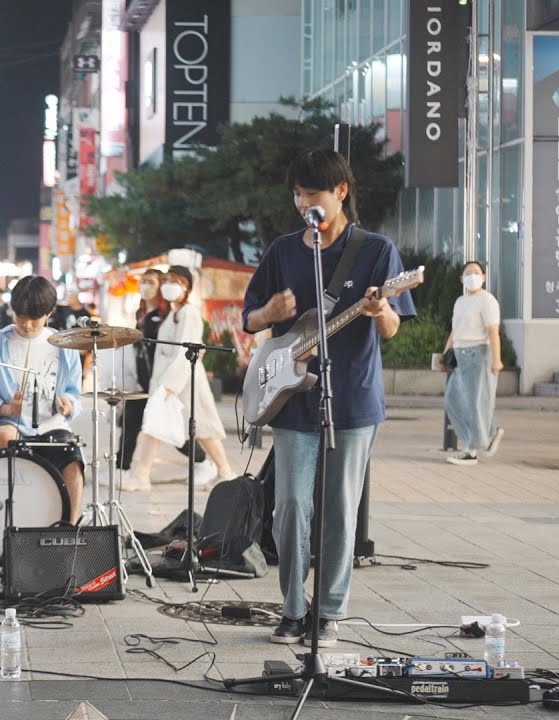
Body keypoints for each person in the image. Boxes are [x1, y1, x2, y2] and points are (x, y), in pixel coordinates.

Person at [242, 149, 415, 648]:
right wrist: (269, 313)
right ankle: (293, 608)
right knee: (290, 506)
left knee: (340, 509)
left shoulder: (376, 250)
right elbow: (250, 317)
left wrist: (379, 310)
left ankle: (330, 611)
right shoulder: (282, 251)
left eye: (311, 193)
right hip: (291, 398)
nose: (303, 203)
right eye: (297, 194)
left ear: (340, 191)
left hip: (352, 398)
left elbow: (393, 326)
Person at [0, 276, 85, 521]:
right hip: (10, 424)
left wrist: (68, 403)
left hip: (51, 425)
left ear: (49, 312)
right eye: (20, 316)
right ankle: (4, 520)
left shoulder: (66, 346)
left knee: (73, 461)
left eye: (35, 318)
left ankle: (70, 530)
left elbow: (74, 392)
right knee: (5, 437)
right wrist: (6, 409)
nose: (27, 325)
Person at [121, 266, 233, 491]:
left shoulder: (188, 313)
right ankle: (224, 472)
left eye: (175, 281)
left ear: (187, 287)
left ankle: (225, 473)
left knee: (198, 429)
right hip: (174, 381)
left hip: (183, 382)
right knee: (168, 427)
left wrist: (169, 386)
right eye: (166, 280)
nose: (168, 285)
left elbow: (185, 351)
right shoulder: (174, 312)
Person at [440, 261, 504, 466]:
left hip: (478, 354)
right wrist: (445, 353)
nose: (472, 276)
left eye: (476, 272)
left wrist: (497, 360)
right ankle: (489, 435)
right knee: (453, 399)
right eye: (468, 273)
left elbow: (493, 332)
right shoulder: (460, 301)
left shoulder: (487, 300)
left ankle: (471, 450)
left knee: (474, 404)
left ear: (484, 278)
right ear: (462, 279)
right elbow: (455, 330)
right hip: (460, 355)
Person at [117, 269, 168, 471]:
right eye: (143, 281)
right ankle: (121, 466)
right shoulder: (141, 313)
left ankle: (200, 459)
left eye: (151, 282)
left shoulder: (165, 315)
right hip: (140, 379)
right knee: (130, 421)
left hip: (157, 379)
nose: (145, 285)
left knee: (165, 427)